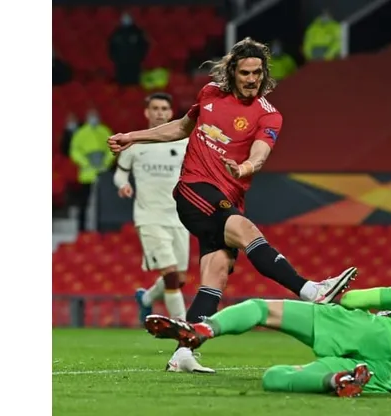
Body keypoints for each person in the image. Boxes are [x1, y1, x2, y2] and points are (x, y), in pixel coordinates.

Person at [108, 37, 357, 373]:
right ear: (232, 73)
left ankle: (183, 354)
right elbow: (182, 127)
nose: (252, 79)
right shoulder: (209, 94)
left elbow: (261, 152)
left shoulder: (269, 115)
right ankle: (311, 290)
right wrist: (132, 137)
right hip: (195, 189)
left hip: (227, 197)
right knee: (245, 229)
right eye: (245, 73)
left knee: (216, 275)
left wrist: (246, 167)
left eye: (257, 73)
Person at [144, 254, 391, 396]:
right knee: (275, 378)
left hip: (375, 333)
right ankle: (337, 380)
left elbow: (353, 301)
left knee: (262, 309)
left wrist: (348, 300)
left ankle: (203, 330)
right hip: (388, 379)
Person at [113, 92, 189, 324]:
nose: (160, 113)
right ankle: (181, 326)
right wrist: (123, 185)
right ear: (147, 112)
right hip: (149, 217)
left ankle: (146, 298)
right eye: (155, 108)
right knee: (171, 275)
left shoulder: (184, 143)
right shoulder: (134, 143)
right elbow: (120, 174)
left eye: (164, 109)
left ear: (171, 113)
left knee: (180, 278)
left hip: (179, 218)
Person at [70, 108, 114, 231]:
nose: (94, 119)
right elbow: (74, 150)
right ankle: (81, 228)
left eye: (95, 116)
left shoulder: (104, 131)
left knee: (103, 203)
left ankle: (102, 228)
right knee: (84, 202)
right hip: (87, 174)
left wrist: (105, 162)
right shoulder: (81, 133)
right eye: (91, 116)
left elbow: (112, 148)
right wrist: (85, 162)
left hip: (102, 174)